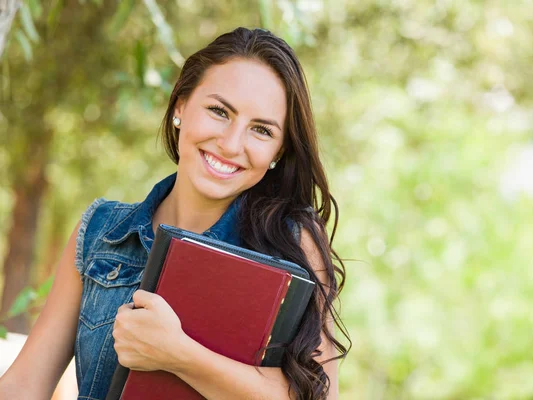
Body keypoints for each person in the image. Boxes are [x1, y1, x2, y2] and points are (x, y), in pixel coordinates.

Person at [0, 27, 349, 400]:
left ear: (279, 151)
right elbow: (24, 385)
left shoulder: (295, 243)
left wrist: (178, 355)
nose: (232, 145)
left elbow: (317, 396)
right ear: (180, 106)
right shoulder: (100, 232)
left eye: (261, 130)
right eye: (219, 111)